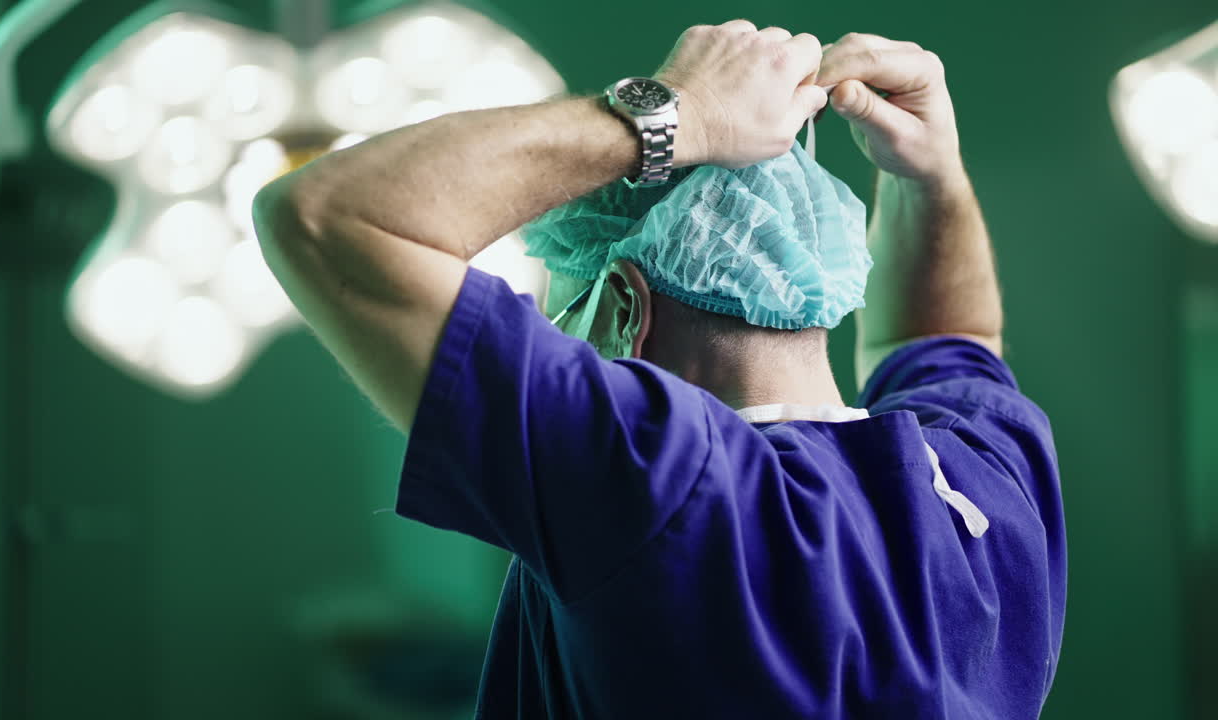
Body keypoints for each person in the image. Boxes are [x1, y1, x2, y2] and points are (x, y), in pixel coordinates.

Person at [253, 19, 1066, 719]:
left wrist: (675, 112)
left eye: (557, 312)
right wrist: (930, 172)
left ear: (621, 310)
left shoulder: (654, 478)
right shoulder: (983, 477)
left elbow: (323, 215)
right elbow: (950, 330)